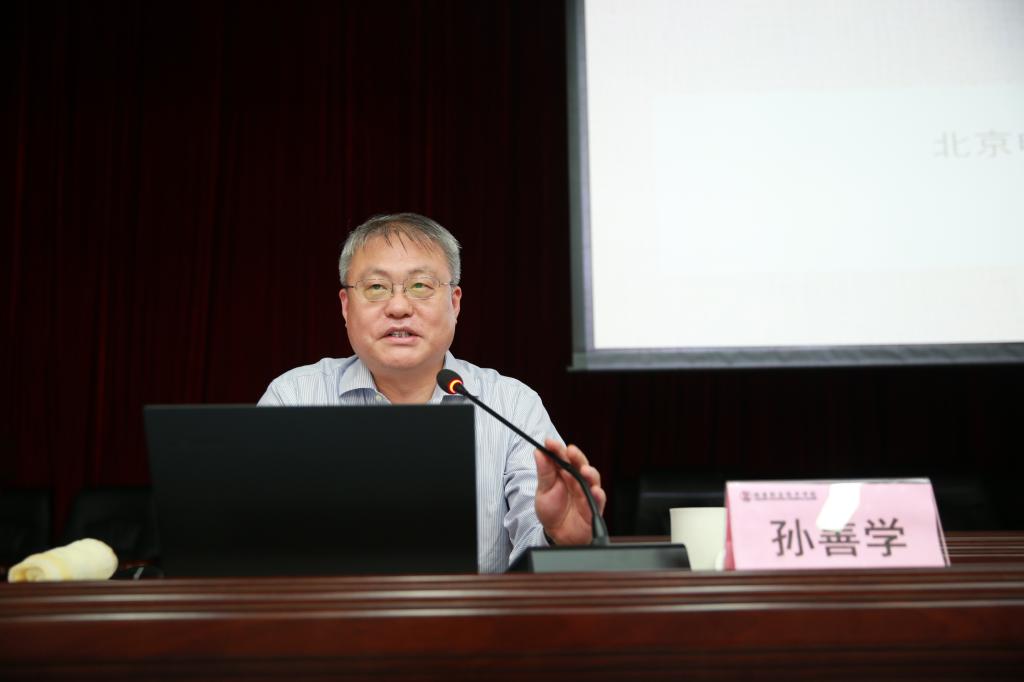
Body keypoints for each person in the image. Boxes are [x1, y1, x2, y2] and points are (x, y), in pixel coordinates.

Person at [259, 212, 606, 572]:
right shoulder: (294, 398)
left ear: (454, 303)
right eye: (376, 287)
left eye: (420, 286)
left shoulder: (511, 406)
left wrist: (558, 538)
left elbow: (537, 548)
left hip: (474, 611)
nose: (398, 307)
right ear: (346, 306)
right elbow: (258, 544)